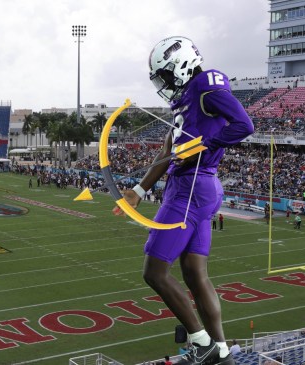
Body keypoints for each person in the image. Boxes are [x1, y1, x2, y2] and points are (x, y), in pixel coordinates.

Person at [115, 36, 253, 365]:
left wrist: (205, 145)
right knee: (194, 273)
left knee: (155, 272)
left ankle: (201, 341)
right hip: (202, 188)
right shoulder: (187, 99)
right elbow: (167, 152)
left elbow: (244, 124)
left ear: (180, 66)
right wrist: (138, 190)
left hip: (189, 188)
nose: (163, 84)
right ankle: (220, 350)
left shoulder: (205, 85)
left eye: (165, 76)